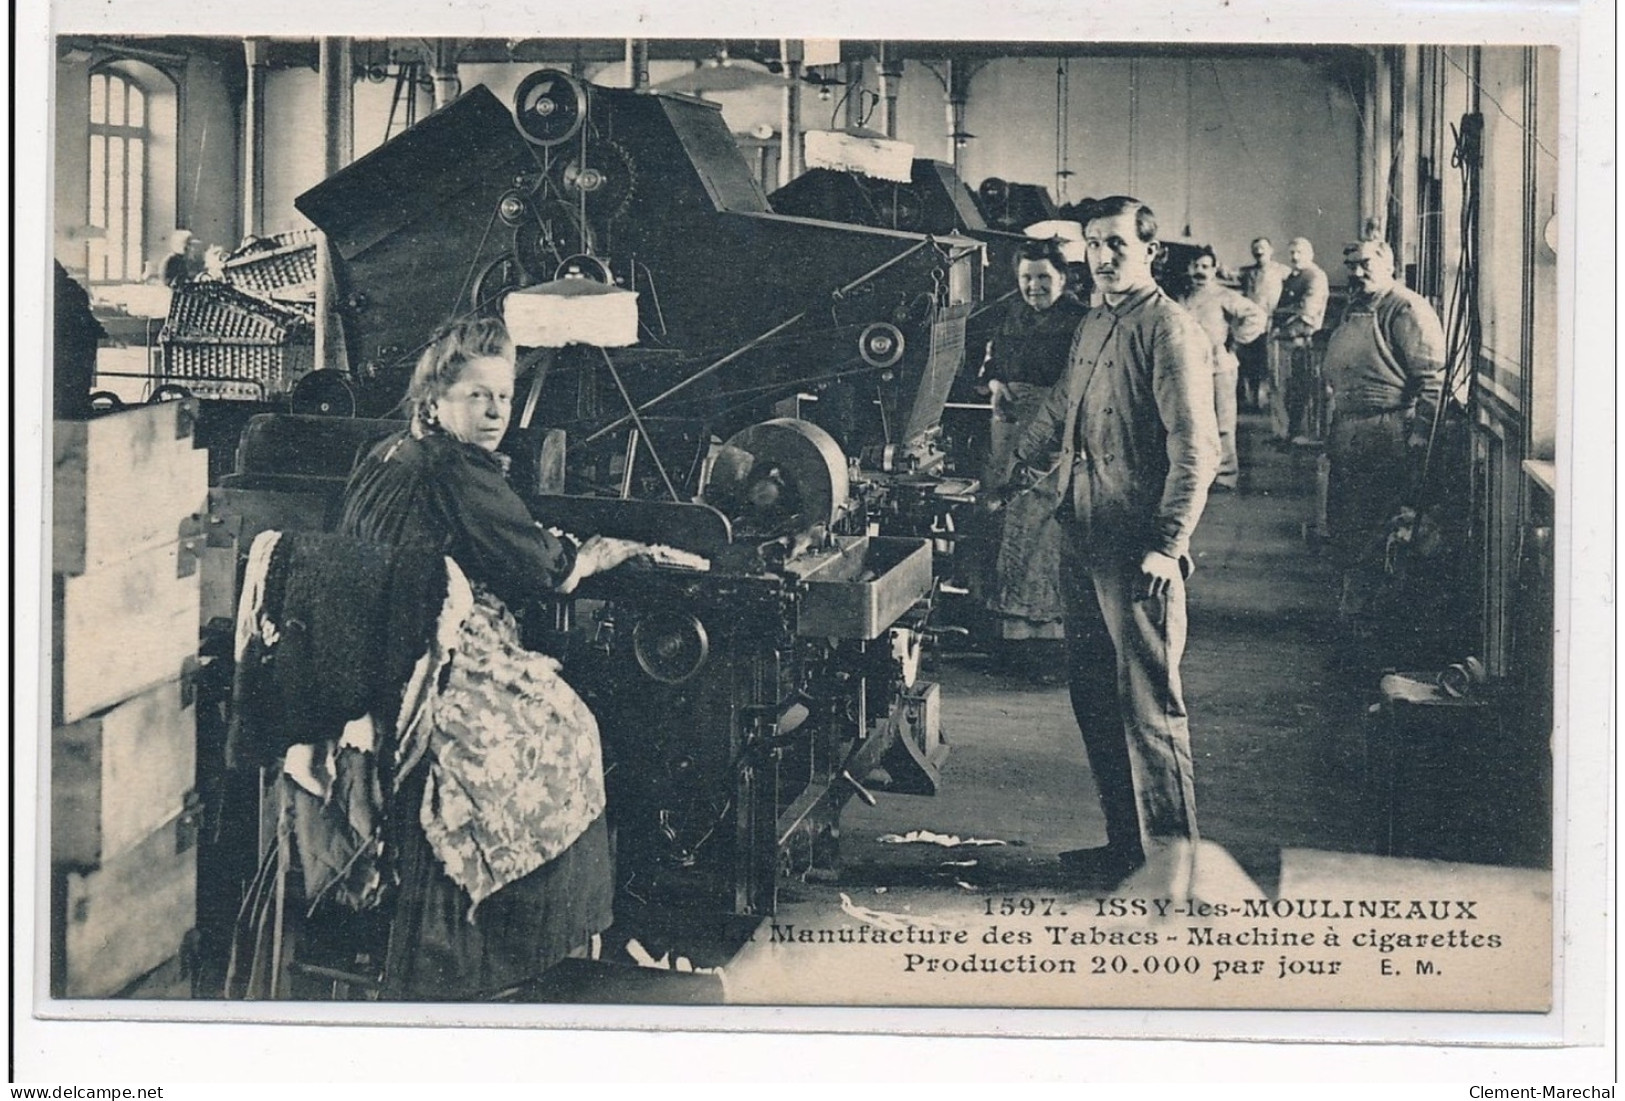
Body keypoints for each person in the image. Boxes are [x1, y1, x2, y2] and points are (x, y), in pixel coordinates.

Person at [339, 315, 649, 999]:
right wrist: (593, 553)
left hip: (364, 641)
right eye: (476, 396)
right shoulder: (455, 467)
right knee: (564, 728)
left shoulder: (391, 451)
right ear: (434, 401)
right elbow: (546, 570)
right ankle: (501, 949)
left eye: (502, 398)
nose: (494, 412)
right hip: (427, 650)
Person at [1011, 196, 1219, 890]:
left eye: (1116, 245)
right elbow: (1059, 407)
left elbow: (1197, 446)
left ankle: (1172, 866)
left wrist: (1168, 542)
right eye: (1094, 245)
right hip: (1082, 532)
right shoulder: (1095, 320)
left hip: (1136, 548)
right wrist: (1011, 468)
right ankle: (1125, 846)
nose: (1101, 257)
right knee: (1094, 696)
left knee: (1149, 709)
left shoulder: (1168, 329)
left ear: (1149, 252)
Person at [1320, 239, 1446, 638]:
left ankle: (1374, 619)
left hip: (1387, 429)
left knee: (1378, 523)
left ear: (1388, 263)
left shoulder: (1406, 307)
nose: (1356, 272)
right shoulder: (1355, 307)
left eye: (1365, 263)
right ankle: (1353, 610)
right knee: (1346, 522)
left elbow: (1432, 382)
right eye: (1350, 265)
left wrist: (1418, 438)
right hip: (1349, 429)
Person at [977, 237, 1089, 661]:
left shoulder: (1080, 320)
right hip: (1008, 426)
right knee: (1008, 516)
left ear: (1063, 277)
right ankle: (1013, 629)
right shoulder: (1014, 314)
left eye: (1044, 277)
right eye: (1027, 277)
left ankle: (1046, 633)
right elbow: (991, 365)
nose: (1035, 286)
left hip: (1053, 429)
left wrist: (1050, 427)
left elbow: (1077, 383)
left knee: (1043, 522)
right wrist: (996, 384)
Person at [1178, 247, 1267, 490]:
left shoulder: (1224, 295)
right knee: (1193, 421)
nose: (1199, 271)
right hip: (1189, 366)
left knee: (1222, 422)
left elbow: (1257, 315)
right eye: (1195, 266)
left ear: (1215, 269)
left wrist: (1237, 337)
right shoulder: (1181, 297)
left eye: (1205, 266)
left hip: (1220, 366)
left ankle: (1226, 476)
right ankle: (1200, 473)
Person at [1271, 236, 1330, 442]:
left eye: (1299, 252)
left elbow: (1307, 310)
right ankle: (1286, 432)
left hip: (1302, 339)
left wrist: (1278, 315)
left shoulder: (1315, 276)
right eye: (1292, 253)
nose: (1295, 257)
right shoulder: (1293, 277)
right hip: (1284, 339)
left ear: (1310, 254)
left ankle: (1300, 433)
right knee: (1284, 387)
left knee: (1300, 388)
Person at [1237, 237, 1291, 409]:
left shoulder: (1282, 271)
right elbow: (1228, 274)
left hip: (1272, 322)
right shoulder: (1248, 272)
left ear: (1271, 250)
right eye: (1255, 249)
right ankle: (1253, 400)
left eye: (1262, 248)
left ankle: (1271, 402)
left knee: (1270, 362)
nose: (1259, 251)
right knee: (1251, 361)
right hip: (1251, 324)